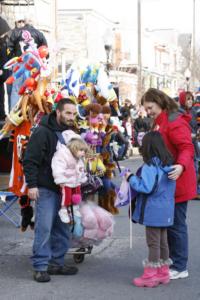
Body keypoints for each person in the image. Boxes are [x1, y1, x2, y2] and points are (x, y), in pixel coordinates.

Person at [141, 88, 196, 280]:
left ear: (159, 102)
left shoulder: (174, 122)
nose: (148, 111)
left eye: (150, 107)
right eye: (146, 109)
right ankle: (171, 261)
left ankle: (180, 266)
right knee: (168, 224)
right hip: (167, 183)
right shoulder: (160, 121)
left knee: (176, 225)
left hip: (177, 180)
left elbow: (187, 148)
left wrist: (180, 166)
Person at [23, 98, 79, 283]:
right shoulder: (42, 132)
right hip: (46, 188)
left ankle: (56, 263)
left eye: (74, 113)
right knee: (44, 228)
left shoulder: (70, 132)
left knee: (62, 228)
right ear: (58, 112)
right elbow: (30, 160)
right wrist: (32, 185)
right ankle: (40, 266)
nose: (72, 117)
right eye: (68, 113)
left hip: (65, 189)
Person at [125, 131, 175, 287]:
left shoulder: (150, 166)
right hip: (166, 209)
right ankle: (163, 272)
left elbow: (145, 187)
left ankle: (150, 275)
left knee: (153, 242)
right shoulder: (168, 164)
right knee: (163, 242)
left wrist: (130, 178)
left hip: (153, 209)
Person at [7, 15, 48, 110]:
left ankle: (14, 113)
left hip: (19, 64)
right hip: (34, 65)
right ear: (32, 22)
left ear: (24, 22)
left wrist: (12, 59)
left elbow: (8, 48)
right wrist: (44, 62)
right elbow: (45, 50)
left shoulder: (15, 32)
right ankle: (30, 113)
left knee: (16, 89)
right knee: (32, 89)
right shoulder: (39, 34)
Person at [51, 131, 89, 223]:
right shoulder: (63, 154)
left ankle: (75, 208)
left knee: (77, 195)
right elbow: (58, 167)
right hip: (66, 181)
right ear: (74, 148)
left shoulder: (78, 158)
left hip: (76, 180)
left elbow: (81, 168)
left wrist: (83, 176)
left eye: (84, 151)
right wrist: (60, 179)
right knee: (66, 196)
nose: (83, 153)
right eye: (81, 150)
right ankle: (63, 210)